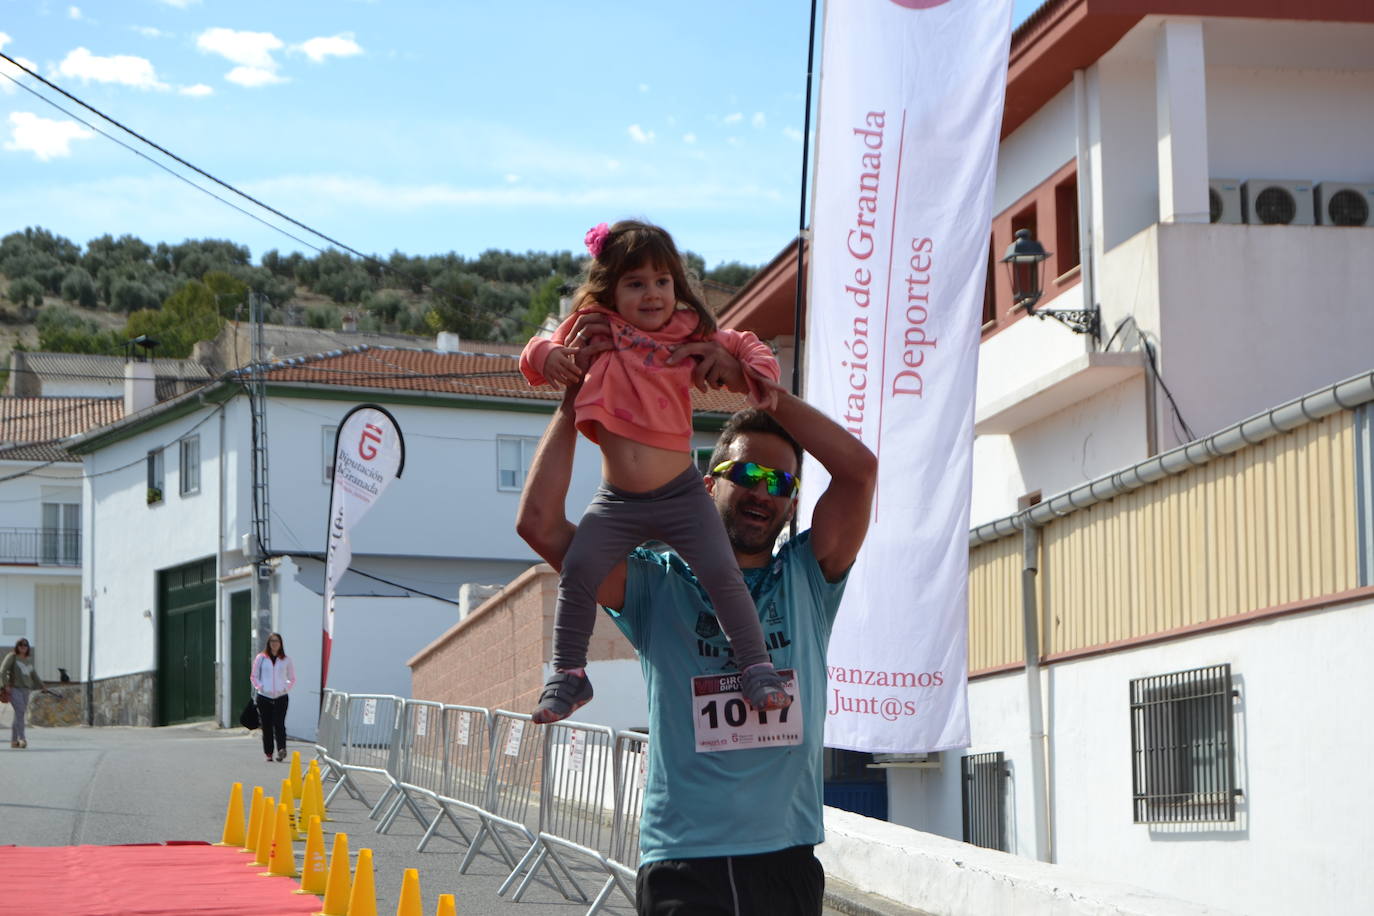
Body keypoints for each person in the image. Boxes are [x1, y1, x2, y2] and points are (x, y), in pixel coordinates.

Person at [516, 344, 878, 915]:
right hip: (686, 864)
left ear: (791, 505)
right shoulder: (657, 586)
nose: (763, 492)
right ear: (709, 484)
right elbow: (538, 523)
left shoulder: (809, 578)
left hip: (784, 859)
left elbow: (860, 471)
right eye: (749, 474)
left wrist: (765, 393)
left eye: (781, 483)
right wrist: (574, 397)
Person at [518, 218, 794, 725]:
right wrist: (552, 354)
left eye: (662, 281)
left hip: (682, 494)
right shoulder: (594, 324)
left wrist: (759, 371)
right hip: (618, 500)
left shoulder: (689, 330)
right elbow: (532, 358)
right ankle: (569, 676)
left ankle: (757, 667)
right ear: (611, 290)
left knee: (722, 576)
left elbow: (746, 344)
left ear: (678, 286)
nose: (652, 294)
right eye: (636, 283)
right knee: (578, 570)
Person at [250, 632, 295, 762]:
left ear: (281, 644)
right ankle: (268, 752)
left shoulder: (286, 660)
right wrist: (260, 687)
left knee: (279, 724)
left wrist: (285, 688)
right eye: (272, 641)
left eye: (277, 641)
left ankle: (281, 749)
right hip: (264, 697)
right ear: (268, 643)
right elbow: (254, 676)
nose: (274, 644)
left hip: (281, 697)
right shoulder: (261, 658)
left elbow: (292, 678)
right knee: (267, 725)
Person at [1, 639, 44, 749]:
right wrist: (5, 685)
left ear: (28, 647)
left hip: (26, 690)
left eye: (25, 645)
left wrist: (42, 686)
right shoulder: (12, 656)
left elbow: (34, 675)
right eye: (21, 645)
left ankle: (14, 742)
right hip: (14, 689)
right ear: (17, 646)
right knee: (20, 711)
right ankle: (22, 738)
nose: (23, 647)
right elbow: (2, 670)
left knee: (19, 714)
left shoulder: (28, 660)